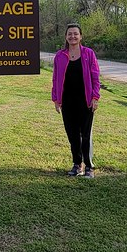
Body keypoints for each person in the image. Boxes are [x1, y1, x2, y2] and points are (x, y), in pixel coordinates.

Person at [51, 22, 100, 178]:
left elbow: (95, 76)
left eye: (75, 34)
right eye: (70, 34)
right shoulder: (60, 56)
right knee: (72, 134)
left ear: (80, 36)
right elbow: (55, 78)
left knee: (85, 134)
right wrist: (56, 99)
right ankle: (77, 164)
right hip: (67, 101)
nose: (72, 36)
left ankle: (89, 167)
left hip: (85, 100)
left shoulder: (88, 54)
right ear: (66, 36)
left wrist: (95, 97)